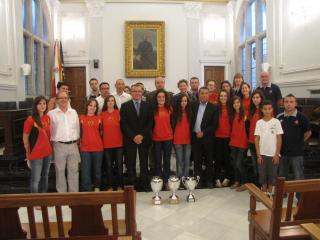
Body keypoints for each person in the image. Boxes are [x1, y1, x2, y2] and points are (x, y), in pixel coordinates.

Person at [120, 84, 153, 191]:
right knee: (131, 163)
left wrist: (141, 135)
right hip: (130, 139)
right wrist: (133, 136)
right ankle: (132, 186)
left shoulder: (148, 105)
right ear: (131, 92)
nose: (137, 93)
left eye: (139, 91)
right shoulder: (125, 106)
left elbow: (150, 122)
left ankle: (144, 184)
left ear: (142, 92)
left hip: (144, 139)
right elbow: (123, 124)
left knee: (144, 163)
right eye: (134, 91)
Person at [48, 91, 80, 192]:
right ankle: (62, 195)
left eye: (65, 98)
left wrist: (77, 141)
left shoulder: (73, 112)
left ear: (68, 99)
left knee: (74, 171)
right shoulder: (51, 114)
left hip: (73, 145)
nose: (64, 100)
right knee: (60, 171)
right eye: (61, 98)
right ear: (56, 100)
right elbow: (49, 131)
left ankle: (73, 194)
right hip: (59, 146)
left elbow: (77, 128)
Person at [277, 94, 312, 182]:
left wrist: (299, 142)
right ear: (283, 103)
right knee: (282, 176)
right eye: (286, 102)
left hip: (297, 153)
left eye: (291, 102)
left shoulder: (302, 117)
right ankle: (282, 194)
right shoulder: (279, 117)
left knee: (298, 176)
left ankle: (299, 196)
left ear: (295, 103)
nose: (289, 104)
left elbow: (308, 132)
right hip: (283, 152)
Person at [23, 96, 52, 193]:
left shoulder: (47, 118)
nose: (42, 105)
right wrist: (28, 152)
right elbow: (25, 138)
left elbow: (48, 136)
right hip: (36, 153)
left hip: (47, 152)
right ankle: (35, 201)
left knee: (45, 176)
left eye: (44, 103)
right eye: (40, 104)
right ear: (35, 106)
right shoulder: (30, 120)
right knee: (36, 179)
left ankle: (43, 198)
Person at [255, 100, 283, 197]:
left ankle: (270, 192)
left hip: (273, 155)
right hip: (262, 154)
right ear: (262, 110)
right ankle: (263, 193)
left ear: (272, 109)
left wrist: (276, 154)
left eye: (269, 109)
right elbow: (256, 139)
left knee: (272, 175)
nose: (267, 111)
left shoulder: (276, 122)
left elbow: (279, 139)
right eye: (265, 109)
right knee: (262, 174)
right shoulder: (259, 122)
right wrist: (258, 155)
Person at [191, 87, 218, 188]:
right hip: (195, 138)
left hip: (208, 139)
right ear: (198, 94)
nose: (204, 95)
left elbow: (214, 125)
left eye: (206, 93)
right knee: (197, 161)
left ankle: (209, 181)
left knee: (209, 160)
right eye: (202, 93)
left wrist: (204, 132)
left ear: (209, 95)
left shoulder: (214, 107)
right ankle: (198, 181)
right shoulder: (193, 105)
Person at [79, 99, 103, 192]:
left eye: (94, 106)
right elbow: (79, 132)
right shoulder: (81, 118)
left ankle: (97, 187)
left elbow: (101, 132)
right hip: (85, 149)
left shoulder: (99, 118)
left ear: (96, 108)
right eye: (90, 105)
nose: (92, 107)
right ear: (87, 106)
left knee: (97, 170)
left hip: (98, 148)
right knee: (85, 171)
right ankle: (87, 189)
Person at [101, 95, 124, 191]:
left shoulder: (119, 113)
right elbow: (100, 130)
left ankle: (119, 186)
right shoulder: (102, 114)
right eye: (108, 101)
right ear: (106, 103)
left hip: (119, 144)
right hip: (107, 145)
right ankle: (110, 186)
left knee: (119, 166)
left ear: (114, 103)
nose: (110, 102)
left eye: (112, 101)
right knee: (109, 166)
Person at [152, 89, 173, 187]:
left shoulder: (170, 109)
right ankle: (158, 182)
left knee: (167, 161)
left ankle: (166, 181)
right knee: (157, 161)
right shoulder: (153, 109)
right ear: (156, 98)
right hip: (156, 139)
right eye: (159, 97)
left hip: (168, 138)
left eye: (163, 97)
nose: (161, 99)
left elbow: (173, 123)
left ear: (166, 98)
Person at [229, 96, 249, 191]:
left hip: (242, 142)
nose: (236, 104)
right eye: (234, 103)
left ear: (240, 103)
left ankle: (244, 183)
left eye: (237, 102)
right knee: (234, 163)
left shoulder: (245, 114)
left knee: (239, 163)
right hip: (233, 142)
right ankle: (237, 181)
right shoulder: (232, 114)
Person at [214, 90, 232, 188]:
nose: (223, 97)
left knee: (227, 159)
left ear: (227, 97)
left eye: (225, 96)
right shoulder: (215, 107)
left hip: (228, 137)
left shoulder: (230, 108)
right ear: (219, 97)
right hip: (217, 137)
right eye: (221, 96)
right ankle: (216, 178)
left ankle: (227, 178)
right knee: (217, 159)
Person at [172, 94, 192, 178]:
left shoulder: (190, 111)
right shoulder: (174, 112)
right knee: (179, 161)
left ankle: (186, 178)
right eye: (181, 101)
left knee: (187, 160)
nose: (183, 103)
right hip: (177, 139)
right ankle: (180, 178)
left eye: (185, 101)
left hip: (188, 139)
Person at [248, 90, 264, 185]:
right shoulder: (252, 110)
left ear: (261, 98)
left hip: (261, 142)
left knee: (261, 164)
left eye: (257, 97)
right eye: (253, 98)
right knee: (255, 164)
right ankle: (257, 185)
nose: (255, 99)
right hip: (252, 141)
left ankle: (263, 185)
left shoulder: (265, 110)